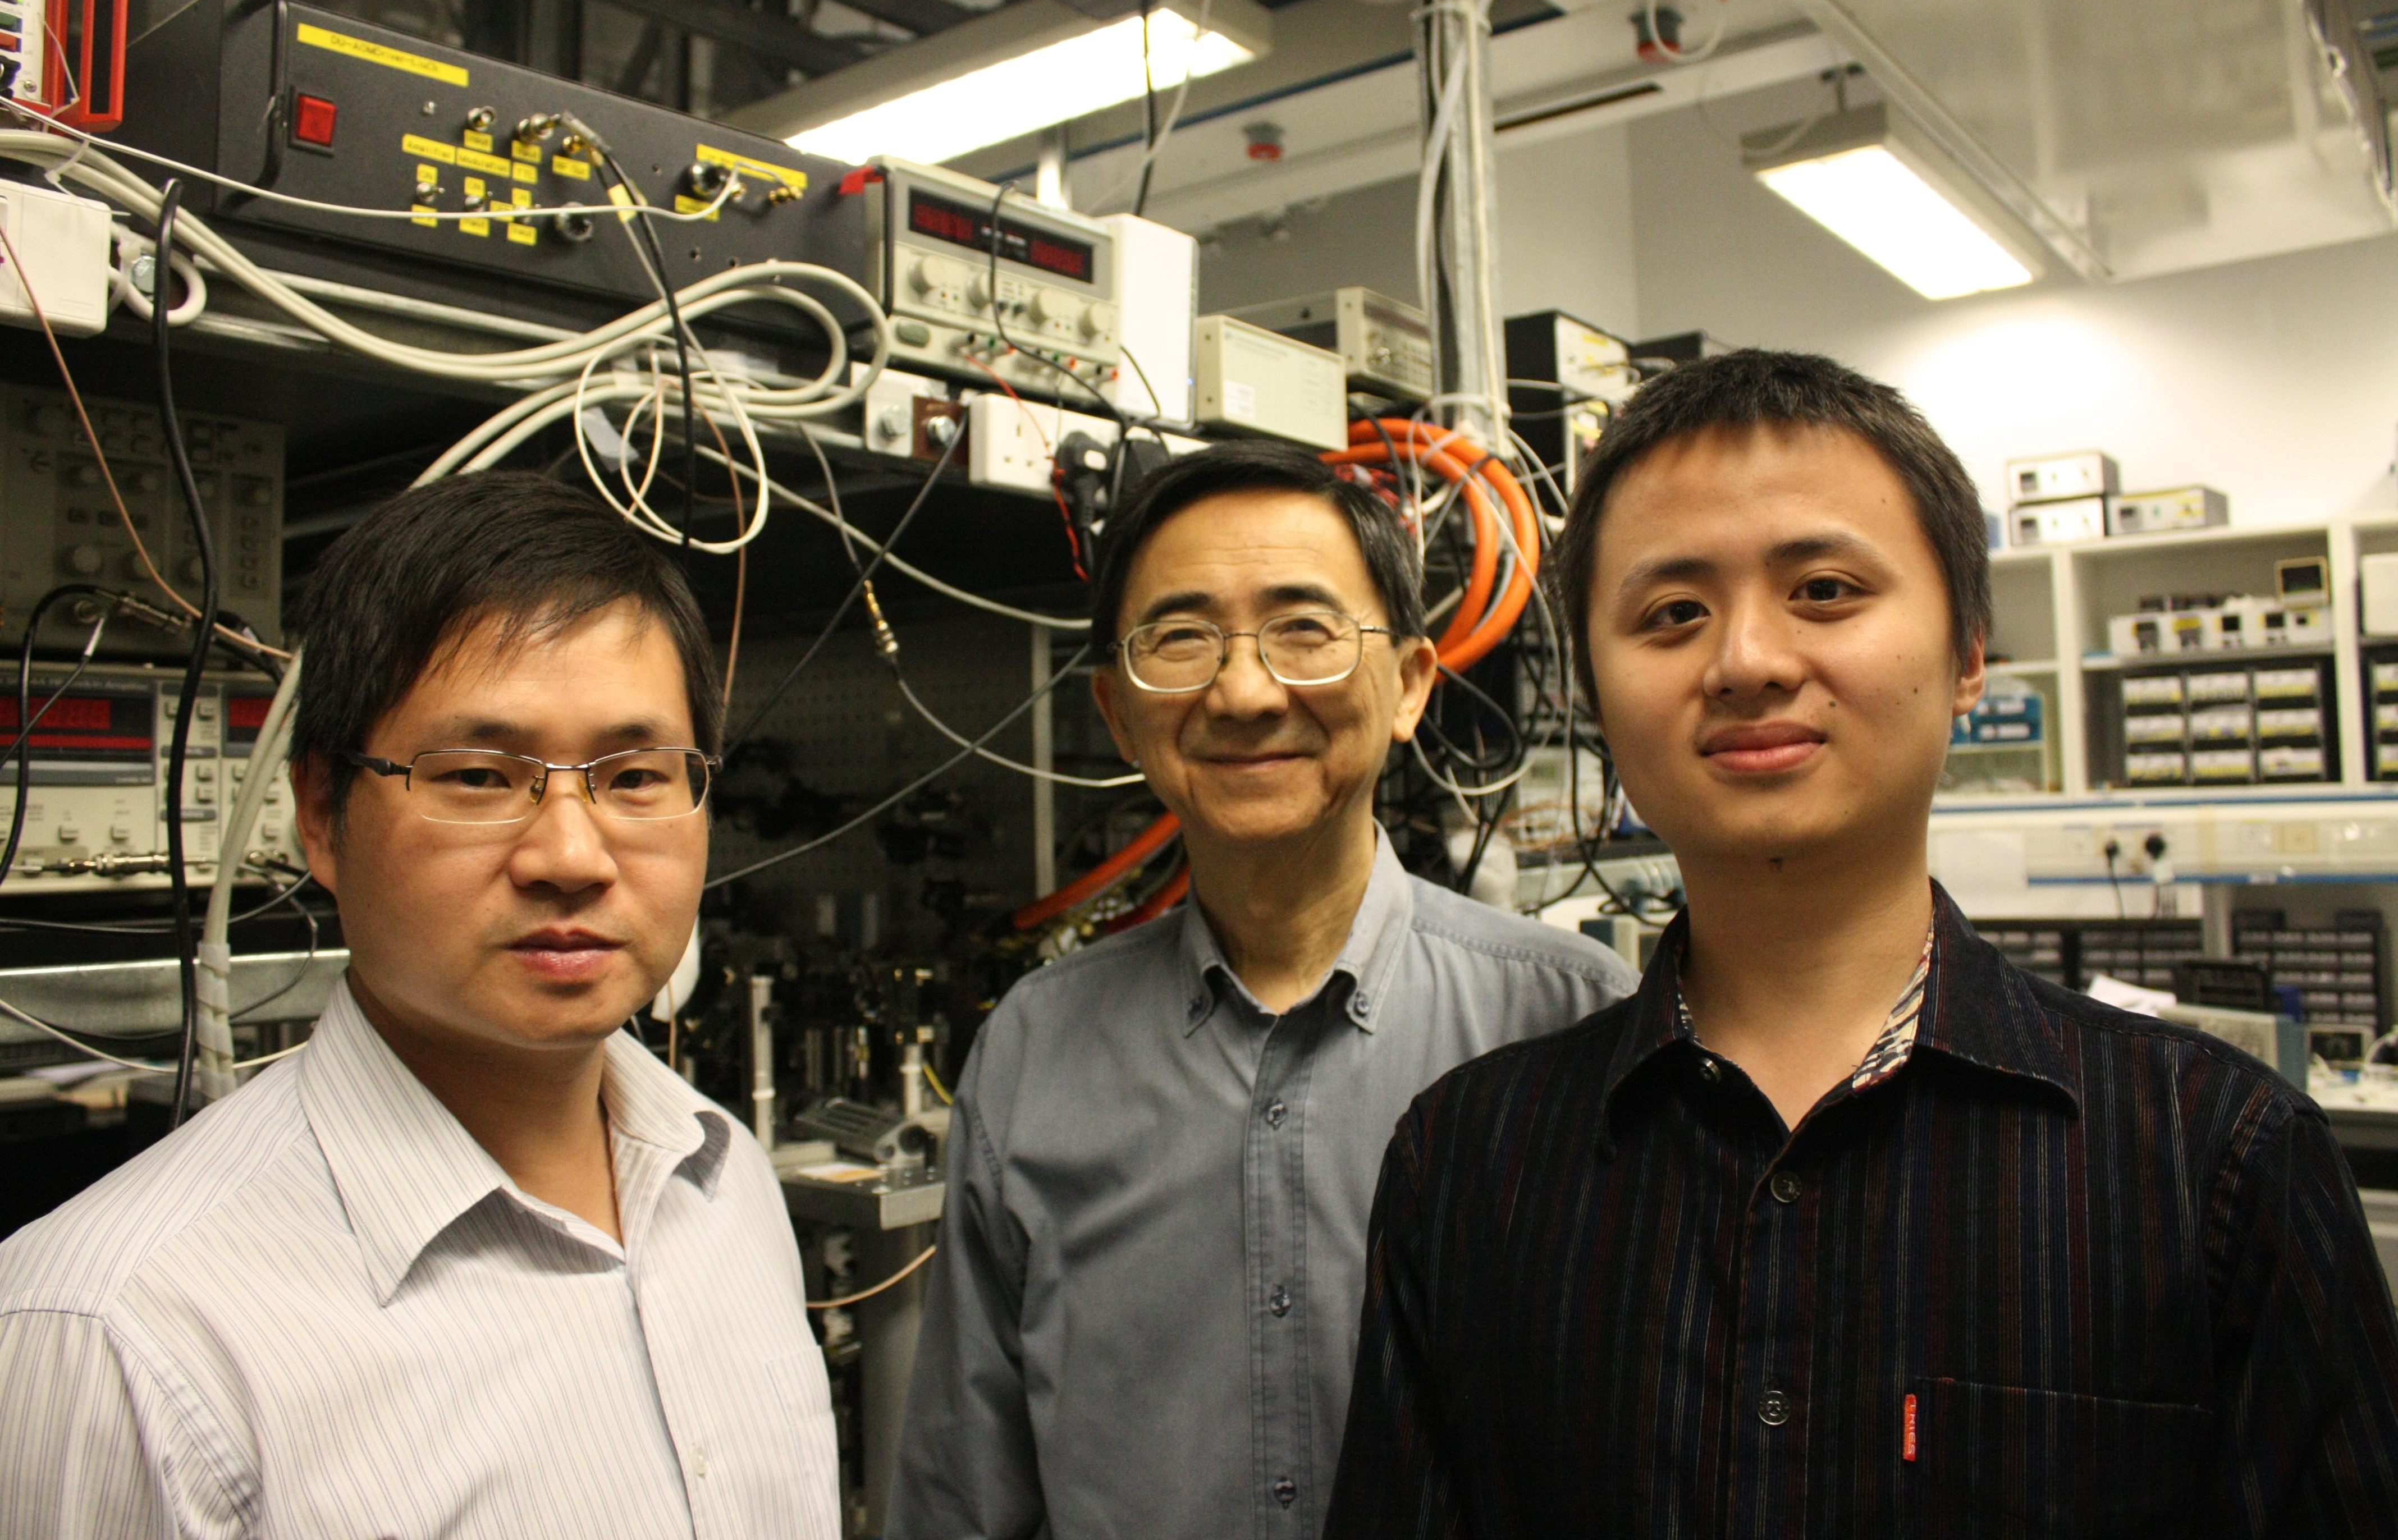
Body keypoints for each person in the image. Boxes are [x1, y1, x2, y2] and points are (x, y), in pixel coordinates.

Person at [1324, 350, 2398, 1537]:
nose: (1748, 660)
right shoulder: (1469, 1164)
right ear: (1592, 689)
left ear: (1968, 654)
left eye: (1826, 590)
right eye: (1673, 612)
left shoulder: (2219, 1162)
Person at [0, 470, 841, 1538]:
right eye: (479, 778)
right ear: (320, 814)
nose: (572, 856)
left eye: (635, 777)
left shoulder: (727, 1185)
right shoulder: (114, 1339)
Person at [889, 441, 1640, 1540]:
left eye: (1304, 628)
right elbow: (963, 1493)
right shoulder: (1034, 1052)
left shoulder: (1571, 1022)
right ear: (1117, 712)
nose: (1244, 691)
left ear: (1411, 685)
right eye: (1183, 638)